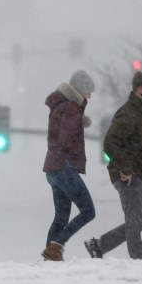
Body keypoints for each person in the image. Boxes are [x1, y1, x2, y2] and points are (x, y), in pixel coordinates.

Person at [85, 71, 142, 260]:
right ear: (140, 90)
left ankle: (99, 246)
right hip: (129, 175)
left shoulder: (141, 112)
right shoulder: (129, 114)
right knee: (134, 223)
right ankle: (138, 263)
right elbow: (110, 143)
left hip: (140, 174)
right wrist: (126, 169)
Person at [41, 70, 97, 261]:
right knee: (88, 211)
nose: (90, 96)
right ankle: (56, 247)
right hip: (64, 168)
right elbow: (66, 139)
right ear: (80, 90)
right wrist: (73, 158)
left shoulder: (60, 106)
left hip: (52, 168)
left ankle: (51, 256)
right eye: (88, 92)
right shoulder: (72, 108)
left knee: (61, 217)